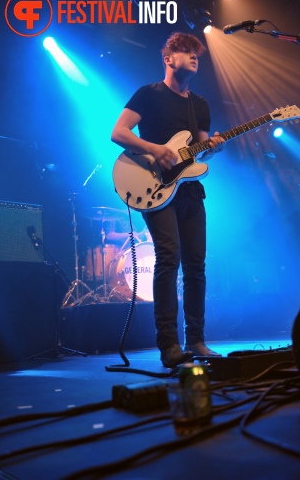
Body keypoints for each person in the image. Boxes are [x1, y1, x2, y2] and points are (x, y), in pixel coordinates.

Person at [111, 32, 224, 368]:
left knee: (196, 266)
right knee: (169, 257)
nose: (194, 58)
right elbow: (118, 132)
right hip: (154, 187)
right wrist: (155, 149)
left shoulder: (200, 105)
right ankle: (169, 344)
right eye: (187, 52)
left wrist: (217, 145)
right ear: (168, 57)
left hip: (188, 190)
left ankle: (197, 341)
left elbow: (201, 151)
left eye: (197, 55)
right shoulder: (149, 95)